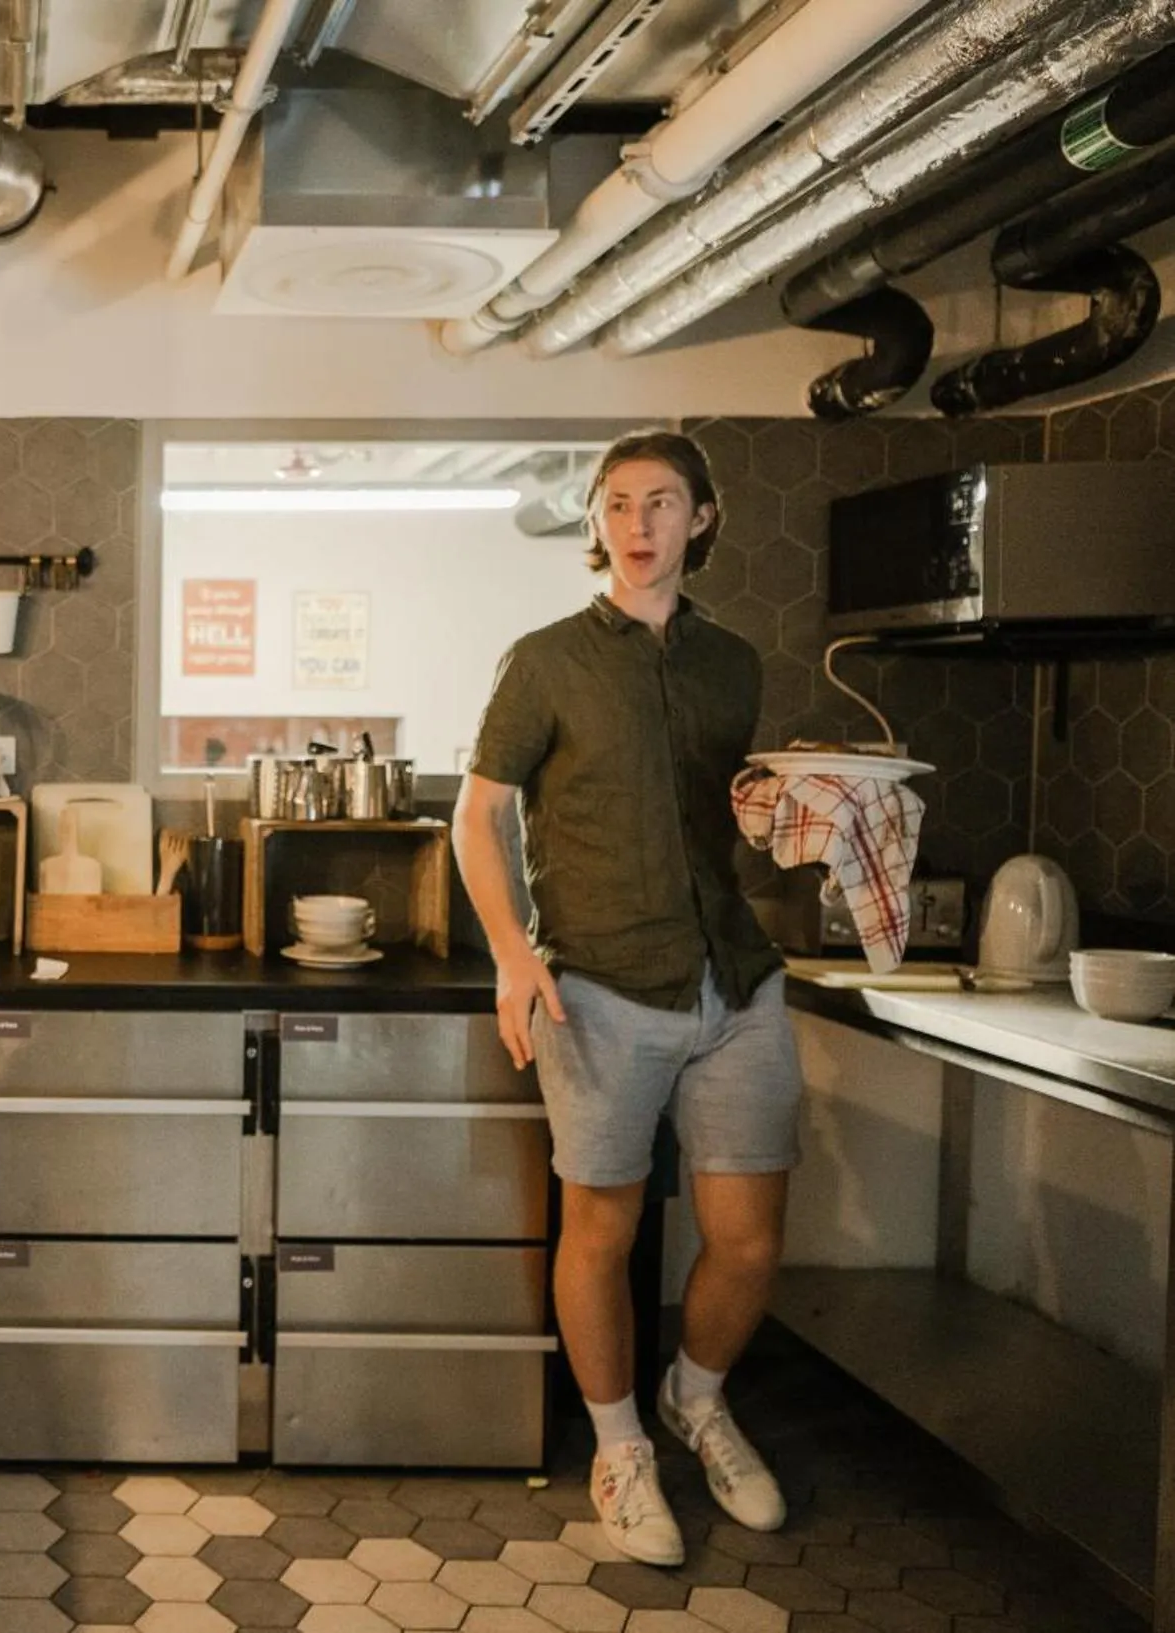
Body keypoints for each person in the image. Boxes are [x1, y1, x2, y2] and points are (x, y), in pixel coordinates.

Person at [452, 430, 798, 1567]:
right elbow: (478, 815)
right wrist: (512, 953)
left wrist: (790, 810)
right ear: (593, 524)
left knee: (746, 1241)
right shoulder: (543, 660)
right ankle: (617, 1447)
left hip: (733, 981)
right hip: (597, 987)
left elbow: (713, 813)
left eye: (660, 502)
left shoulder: (730, 664)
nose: (636, 522)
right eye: (615, 504)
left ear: (700, 518)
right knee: (598, 1231)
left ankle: (692, 1400)